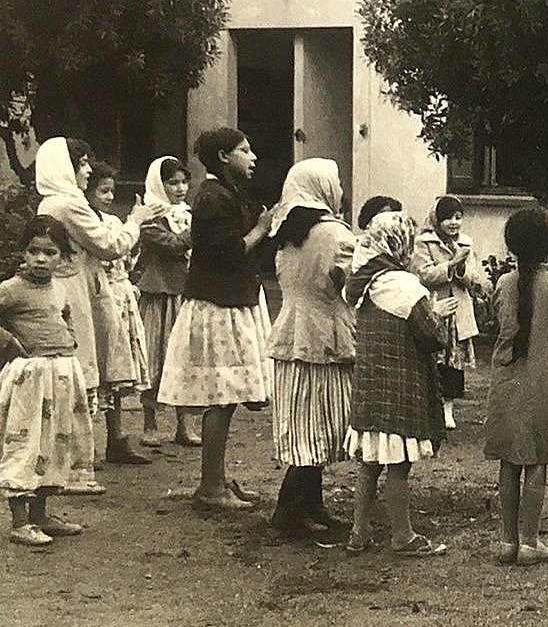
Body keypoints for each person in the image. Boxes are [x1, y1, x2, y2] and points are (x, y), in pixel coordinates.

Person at [157, 128, 274, 511]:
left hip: (233, 301)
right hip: (217, 307)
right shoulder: (212, 198)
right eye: (245, 150)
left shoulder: (229, 193)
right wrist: (261, 228)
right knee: (220, 398)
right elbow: (228, 252)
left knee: (228, 397)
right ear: (224, 157)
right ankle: (210, 487)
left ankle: (219, 478)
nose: (253, 156)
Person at [35, 137, 161, 474]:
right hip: (77, 292)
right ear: (67, 167)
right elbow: (108, 245)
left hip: (82, 288)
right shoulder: (67, 204)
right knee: (85, 366)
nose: (88, 170)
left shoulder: (53, 202)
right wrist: (136, 220)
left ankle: (107, 442)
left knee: (99, 364)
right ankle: (79, 456)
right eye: (82, 163)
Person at [0, 216, 97, 546]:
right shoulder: (13, 289)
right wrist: (6, 341)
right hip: (29, 378)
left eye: (50, 252)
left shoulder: (59, 288)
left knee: (54, 444)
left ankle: (41, 514)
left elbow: (65, 315)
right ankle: (19, 520)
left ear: (62, 257)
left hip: (59, 376)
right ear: (23, 253)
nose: (41, 259)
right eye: (34, 251)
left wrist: (68, 341)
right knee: (25, 444)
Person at [343, 211, 455, 556]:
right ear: (399, 244)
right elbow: (431, 336)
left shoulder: (364, 283)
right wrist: (439, 314)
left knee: (369, 463)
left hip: (370, 386)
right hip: (400, 385)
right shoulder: (404, 285)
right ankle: (402, 535)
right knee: (398, 465)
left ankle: (358, 532)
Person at [484, 206, 548, 566]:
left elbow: (498, 323)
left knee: (509, 462)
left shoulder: (503, 284)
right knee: (537, 460)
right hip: (546, 381)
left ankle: (506, 540)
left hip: (507, 382)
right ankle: (530, 541)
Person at [268, 158, 356, 539]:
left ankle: (310, 503)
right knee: (319, 421)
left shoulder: (287, 233)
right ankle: (289, 510)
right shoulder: (334, 235)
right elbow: (348, 283)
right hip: (323, 332)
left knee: (305, 421)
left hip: (292, 331)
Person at [83, 161, 154, 465]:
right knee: (96, 369)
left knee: (117, 373)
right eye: (103, 191)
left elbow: (129, 255)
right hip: (99, 296)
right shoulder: (86, 224)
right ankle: (89, 444)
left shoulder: (113, 222)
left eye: (112, 191)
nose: (109, 197)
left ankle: (117, 438)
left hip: (121, 296)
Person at [410, 196, 492, 431]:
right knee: (432, 357)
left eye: (458, 218)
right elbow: (423, 274)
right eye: (448, 218)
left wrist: (462, 267)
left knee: (454, 361)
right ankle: (429, 406)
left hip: (458, 308)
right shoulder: (424, 242)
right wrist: (450, 264)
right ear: (437, 219)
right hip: (434, 306)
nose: (454, 223)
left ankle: (448, 409)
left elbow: (473, 278)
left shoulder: (465, 243)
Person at [135, 156, 198, 447]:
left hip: (184, 292)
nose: (180, 188)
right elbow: (171, 246)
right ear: (160, 184)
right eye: (173, 182)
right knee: (156, 356)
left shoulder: (185, 214)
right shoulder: (149, 216)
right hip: (158, 293)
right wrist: (196, 232)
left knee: (183, 358)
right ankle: (150, 423)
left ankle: (183, 424)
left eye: (184, 181)